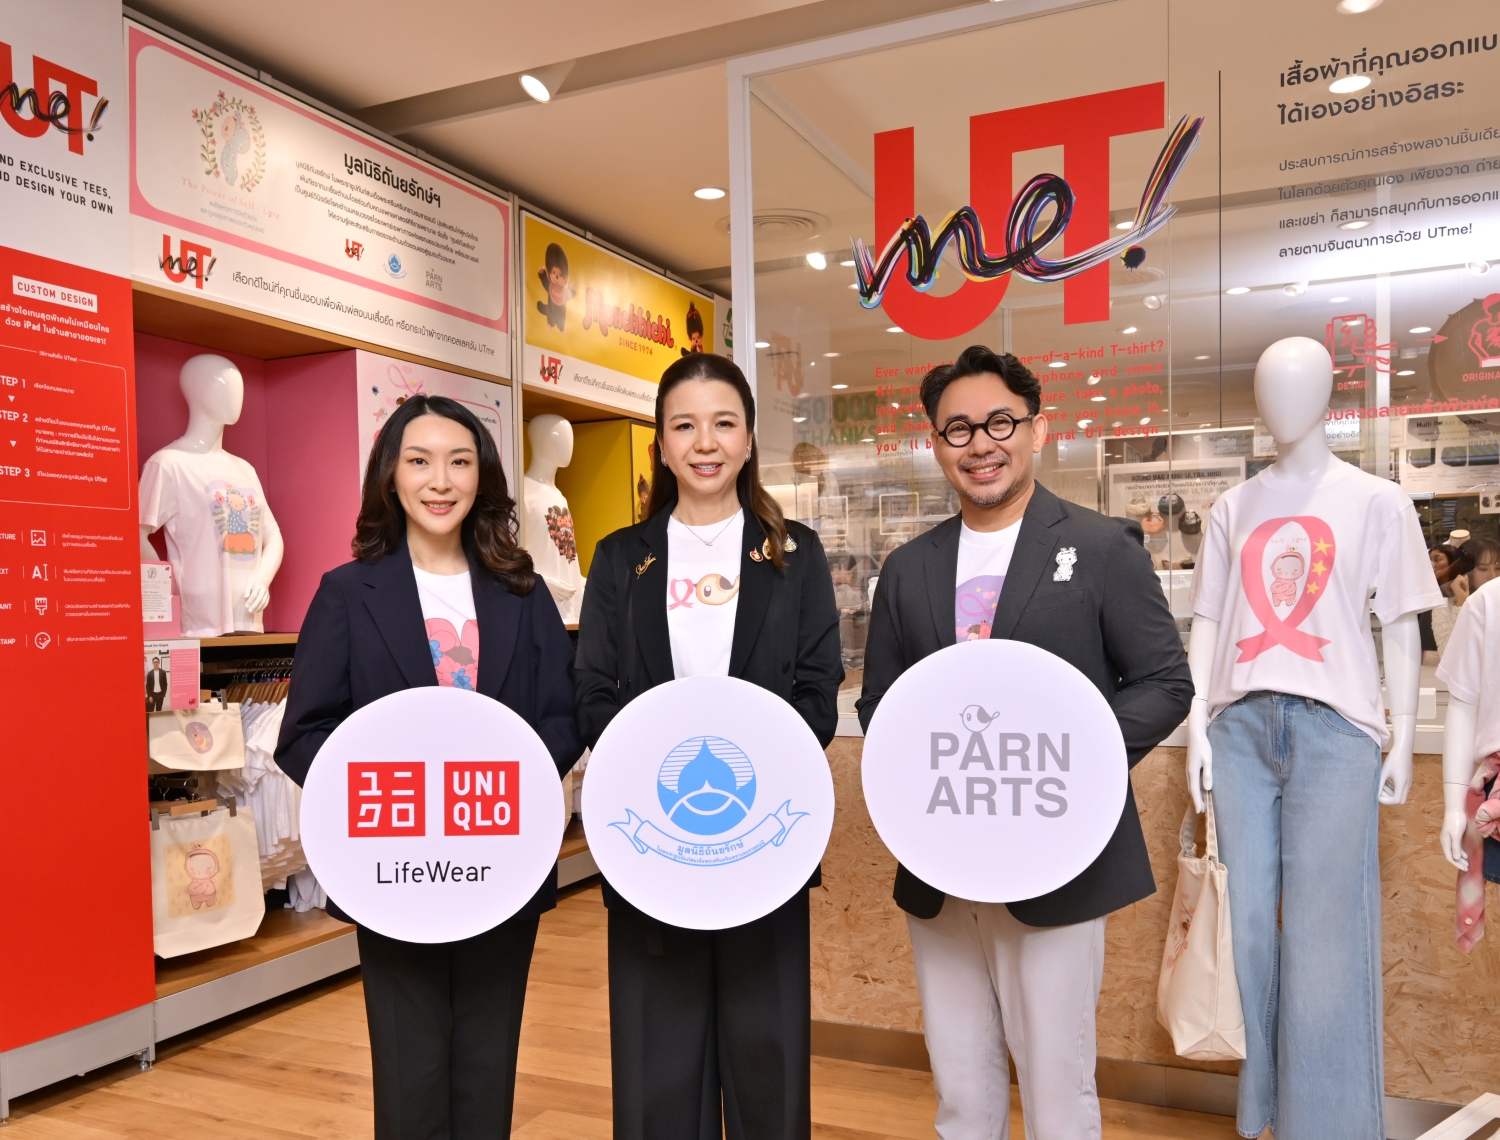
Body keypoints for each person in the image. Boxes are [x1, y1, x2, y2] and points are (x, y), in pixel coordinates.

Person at [856, 345, 1193, 1140]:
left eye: (1000, 422)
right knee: (960, 1088)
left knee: (1056, 1085)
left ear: (1038, 430)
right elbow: (881, 704)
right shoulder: (908, 569)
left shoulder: (1102, 547)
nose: (981, 444)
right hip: (942, 861)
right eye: (959, 429)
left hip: (1058, 854)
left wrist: (1063, 755)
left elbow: (1164, 683)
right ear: (937, 444)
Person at [275, 395, 581, 1140]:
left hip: (500, 857)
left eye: (459, 461)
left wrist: (496, 786)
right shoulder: (347, 593)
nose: (439, 480)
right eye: (419, 461)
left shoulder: (522, 590)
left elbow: (563, 716)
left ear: (482, 476)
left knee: (487, 1064)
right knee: (410, 1074)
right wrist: (399, 791)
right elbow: (304, 733)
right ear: (391, 475)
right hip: (394, 867)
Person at [574, 353, 843, 1140]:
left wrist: (761, 762)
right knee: (658, 1064)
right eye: (684, 425)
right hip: (652, 839)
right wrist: (644, 763)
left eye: (723, 423)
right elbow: (592, 690)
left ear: (749, 438)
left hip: (764, 838)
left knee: (768, 1058)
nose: (705, 442)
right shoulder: (621, 557)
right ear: (660, 444)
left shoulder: (795, 552)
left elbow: (817, 690)